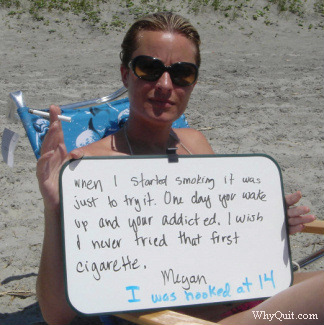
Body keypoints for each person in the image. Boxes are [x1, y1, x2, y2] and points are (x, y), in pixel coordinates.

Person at [36, 11, 323, 325]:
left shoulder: (196, 144)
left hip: (246, 298)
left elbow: (215, 247)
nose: (164, 85)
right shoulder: (88, 168)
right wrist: (53, 207)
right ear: (125, 74)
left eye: (182, 73)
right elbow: (56, 315)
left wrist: (261, 223)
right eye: (148, 68)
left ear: (193, 82)